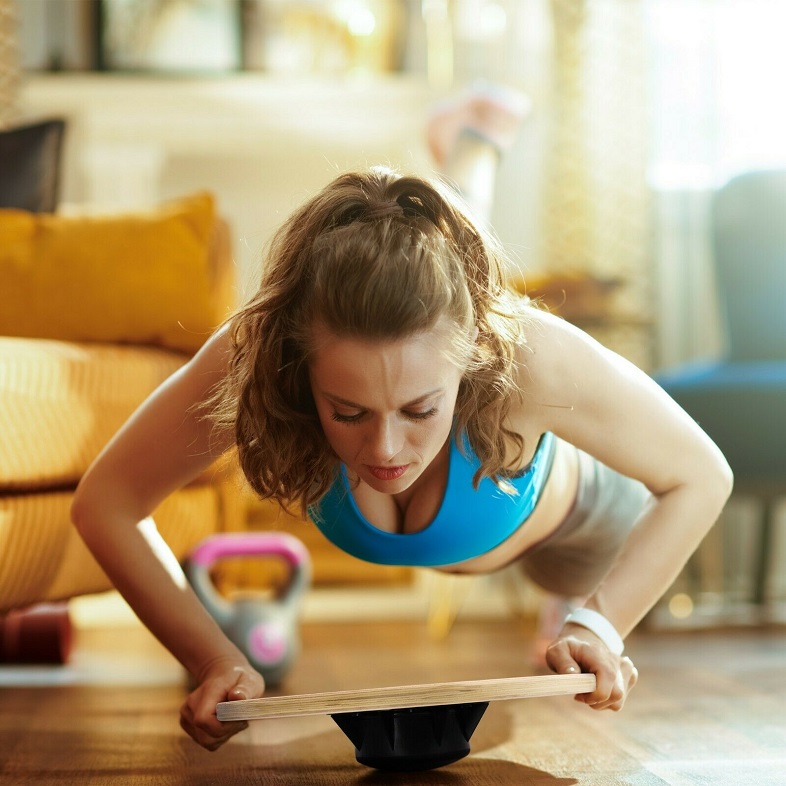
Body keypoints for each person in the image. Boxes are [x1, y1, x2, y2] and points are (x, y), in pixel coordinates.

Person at [71, 88, 732, 752]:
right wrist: (212, 657)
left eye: (420, 410)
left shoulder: (531, 354)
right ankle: (474, 144)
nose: (385, 448)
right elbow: (107, 503)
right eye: (347, 412)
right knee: (437, 274)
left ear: (473, 364)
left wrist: (600, 624)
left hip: (579, 526)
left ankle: (474, 149)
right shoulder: (261, 352)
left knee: (468, 291)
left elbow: (701, 476)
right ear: (300, 371)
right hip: (473, 468)